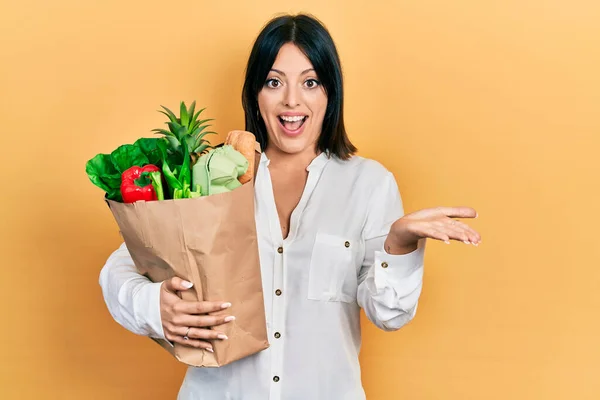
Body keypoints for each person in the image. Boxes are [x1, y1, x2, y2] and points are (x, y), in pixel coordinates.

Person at [99, 13, 481, 400]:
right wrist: (154, 306)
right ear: (254, 93)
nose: (292, 100)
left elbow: (389, 314)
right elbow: (121, 267)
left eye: (310, 82)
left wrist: (399, 243)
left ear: (330, 93)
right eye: (274, 82)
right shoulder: (209, 175)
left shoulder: (369, 184)